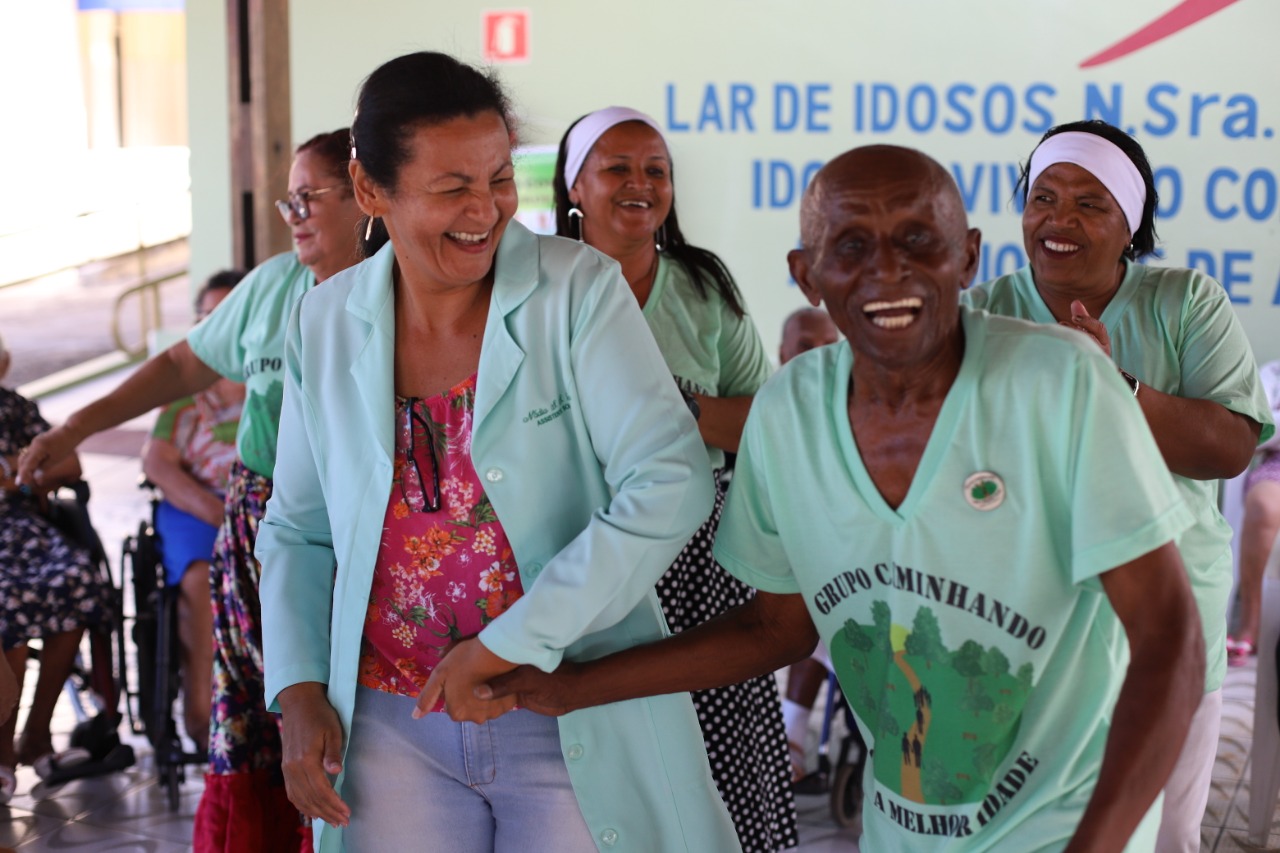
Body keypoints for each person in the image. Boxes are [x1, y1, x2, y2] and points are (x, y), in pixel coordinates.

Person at [481, 145, 1209, 852]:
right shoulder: (788, 412)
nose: (886, 271)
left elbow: (1170, 637)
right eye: (851, 246)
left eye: (918, 240)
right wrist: (574, 685)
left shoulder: (1062, 383)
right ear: (807, 274)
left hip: (1062, 826)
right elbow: (775, 628)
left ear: (969, 257)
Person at [256, 52, 738, 853]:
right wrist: (299, 685)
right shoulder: (326, 320)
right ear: (371, 189)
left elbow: (671, 480)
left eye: (499, 179)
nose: (485, 211)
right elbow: (300, 526)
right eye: (451, 188)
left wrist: (510, 642)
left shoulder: (575, 290)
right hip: (387, 719)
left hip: (558, 701)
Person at [17, 128, 363, 851]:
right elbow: (180, 364)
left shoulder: (406, 289)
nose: (294, 214)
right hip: (264, 526)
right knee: (272, 715)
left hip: (366, 526)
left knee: (354, 713)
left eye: (310, 197)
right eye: (287, 199)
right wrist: (73, 428)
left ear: (365, 197)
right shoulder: (273, 288)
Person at [961, 120, 1274, 853]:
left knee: (1165, 830)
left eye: (1089, 204)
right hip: (1022, 614)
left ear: (1129, 223)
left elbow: (1231, 445)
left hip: (1165, 611)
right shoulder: (977, 313)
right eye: (1044, 197)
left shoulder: (1186, 301)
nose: (1058, 220)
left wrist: (1116, 387)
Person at [552, 106, 794, 851]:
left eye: (656, 170)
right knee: (604, 759)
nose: (640, 184)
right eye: (617, 168)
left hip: (700, 557)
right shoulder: (537, 285)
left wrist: (675, 411)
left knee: (714, 762)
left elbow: (768, 418)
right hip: (583, 550)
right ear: (575, 189)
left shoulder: (700, 285)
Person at [0, 329, 114, 803]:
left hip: (22, 527)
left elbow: (70, 464)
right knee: (10, 605)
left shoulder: (14, 407)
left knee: (79, 583)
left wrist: (21, 477)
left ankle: (38, 732)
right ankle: (3, 751)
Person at [141, 271, 246, 753]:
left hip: (264, 508)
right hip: (195, 510)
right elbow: (157, 463)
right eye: (207, 316)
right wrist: (215, 510)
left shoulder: (276, 385)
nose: (216, 326)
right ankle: (202, 714)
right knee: (200, 578)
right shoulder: (185, 396)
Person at [773, 307, 841, 781]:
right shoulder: (768, 416)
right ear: (782, 355)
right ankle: (791, 735)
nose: (817, 358)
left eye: (827, 347)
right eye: (804, 347)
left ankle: (793, 733)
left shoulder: (860, 412)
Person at [1230, 360, 1280, 662]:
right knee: (1263, 506)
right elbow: (1254, 428)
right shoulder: (1270, 374)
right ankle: (1251, 622)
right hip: (1275, 466)